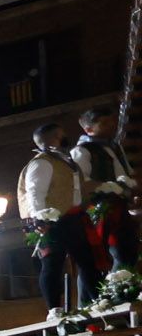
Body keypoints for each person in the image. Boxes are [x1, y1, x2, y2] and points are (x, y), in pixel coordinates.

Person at [18, 121, 96, 316]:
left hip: (74, 217)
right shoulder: (41, 162)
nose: (65, 136)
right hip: (52, 221)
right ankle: (54, 310)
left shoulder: (65, 160)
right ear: (54, 138)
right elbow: (34, 193)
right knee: (53, 264)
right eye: (62, 134)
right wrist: (39, 219)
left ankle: (97, 303)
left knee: (87, 261)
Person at [73, 105, 137, 278]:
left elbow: (126, 171)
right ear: (88, 129)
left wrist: (128, 188)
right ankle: (102, 292)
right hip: (99, 209)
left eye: (112, 121)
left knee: (128, 250)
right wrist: (107, 187)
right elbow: (80, 181)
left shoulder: (115, 146)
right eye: (104, 123)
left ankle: (121, 287)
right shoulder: (82, 151)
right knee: (100, 256)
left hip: (120, 205)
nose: (111, 126)